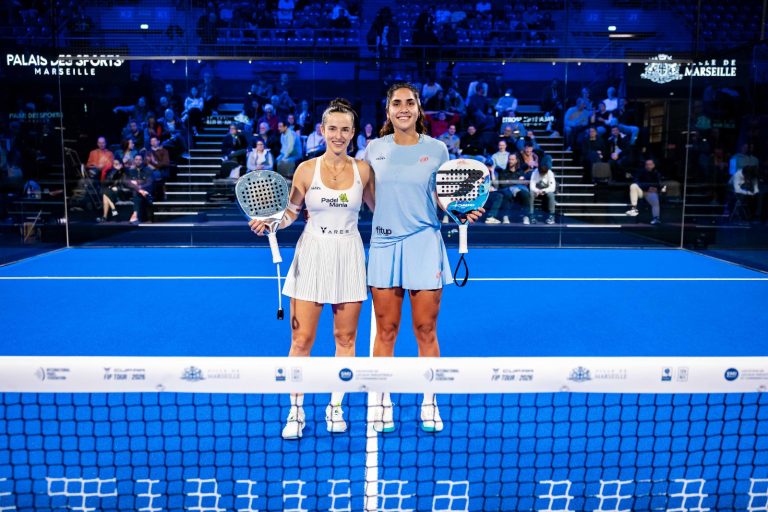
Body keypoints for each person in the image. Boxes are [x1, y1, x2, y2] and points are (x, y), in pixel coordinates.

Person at [249, 99, 375, 440]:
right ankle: (296, 410)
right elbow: (291, 212)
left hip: (349, 255)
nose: (338, 135)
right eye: (332, 128)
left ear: (353, 133)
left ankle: (335, 407)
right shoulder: (306, 169)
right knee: (301, 340)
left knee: (345, 339)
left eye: (345, 129)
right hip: (312, 255)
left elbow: (380, 211)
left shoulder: (364, 171)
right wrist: (271, 222)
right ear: (322, 130)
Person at [364, 83, 482, 433]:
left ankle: (430, 402)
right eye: (396, 103)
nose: (403, 108)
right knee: (386, 330)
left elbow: (444, 197)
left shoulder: (437, 149)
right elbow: (368, 193)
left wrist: (461, 211)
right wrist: (386, 218)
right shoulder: (374, 149)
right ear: (388, 111)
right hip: (385, 246)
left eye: (409, 102)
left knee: (426, 329)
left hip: (424, 245)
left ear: (418, 109)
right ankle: (382, 401)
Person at [485, 152, 532, 224]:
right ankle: (505, 216)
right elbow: (503, 185)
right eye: (509, 159)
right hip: (506, 190)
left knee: (525, 194)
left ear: (516, 161)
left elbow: (523, 183)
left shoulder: (520, 172)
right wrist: (516, 183)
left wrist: (512, 183)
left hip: (518, 190)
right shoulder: (504, 172)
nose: (510, 161)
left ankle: (526, 216)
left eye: (512, 159)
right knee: (507, 193)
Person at [626, 158, 664, 225]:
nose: (648, 166)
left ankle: (656, 218)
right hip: (641, 191)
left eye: (650, 164)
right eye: (647, 164)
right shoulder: (640, 172)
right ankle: (634, 208)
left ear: (653, 165)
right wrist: (647, 188)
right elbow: (637, 182)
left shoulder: (656, 173)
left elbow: (659, 184)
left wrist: (656, 188)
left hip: (650, 192)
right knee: (633, 186)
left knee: (655, 201)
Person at [124, 154, 154, 224]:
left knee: (137, 194)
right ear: (134, 161)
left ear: (143, 161)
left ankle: (135, 216)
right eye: (136, 159)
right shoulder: (130, 171)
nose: (138, 161)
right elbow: (126, 182)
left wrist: (140, 187)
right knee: (136, 193)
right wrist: (138, 188)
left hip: (145, 191)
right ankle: (136, 217)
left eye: (140, 160)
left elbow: (150, 182)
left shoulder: (148, 170)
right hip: (133, 192)